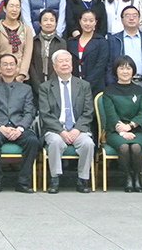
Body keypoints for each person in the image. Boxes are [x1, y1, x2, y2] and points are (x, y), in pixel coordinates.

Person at [38, 50, 95, 194]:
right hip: (55, 129)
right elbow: (46, 114)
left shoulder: (83, 85)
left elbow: (88, 112)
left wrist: (77, 129)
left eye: (67, 61)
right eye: (61, 61)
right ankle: (55, 179)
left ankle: (82, 179)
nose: (65, 64)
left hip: (78, 129)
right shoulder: (45, 87)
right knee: (56, 142)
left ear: (72, 64)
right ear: (54, 66)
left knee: (88, 143)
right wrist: (61, 131)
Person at [0, 54, 39, 193]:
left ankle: (23, 182)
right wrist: (0, 127)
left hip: (19, 128)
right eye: (5, 64)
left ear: (16, 67)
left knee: (32, 141)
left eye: (11, 64)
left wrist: (20, 128)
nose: (8, 67)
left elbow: (29, 113)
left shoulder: (26, 89)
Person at [102, 56, 142, 192]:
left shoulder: (140, 91)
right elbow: (111, 114)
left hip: (137, 130)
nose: (125, 71)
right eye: (121, 68)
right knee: (123, 147)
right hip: (115, 131)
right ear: (115, 71)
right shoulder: (109, 91)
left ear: (133, 71)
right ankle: (127, 178)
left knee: (136, 147)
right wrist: (122, 132)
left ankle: (137, 178)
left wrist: (130, 126)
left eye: (128, 68)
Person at [107, 5, 142, 91]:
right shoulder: (114, 40)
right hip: (120, 85)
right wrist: (112, 86)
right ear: (122, 20)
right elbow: (109, 65)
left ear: (139, 19)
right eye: (127, 15)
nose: (131, 18)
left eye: (135, 15)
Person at [0, 0, 33, 82]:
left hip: (20, 77)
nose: (14, 9)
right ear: (4, 9)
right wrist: (1, 73)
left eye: (17, 6)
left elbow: (27, 54)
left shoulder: (26, 29)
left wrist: (22, 74)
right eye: (11, 6)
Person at [67, 9, 109, 97]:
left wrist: (86, 84)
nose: (88, 23)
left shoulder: (101, 42)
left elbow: (100, 66)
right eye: (85, 20)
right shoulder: (72, 42)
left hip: (95, 87)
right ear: (80, 21)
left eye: (91, 20)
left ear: (95, 22)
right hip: (74, 86)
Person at [28, 9, 67, 101]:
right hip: (35, 84)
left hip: (55, 84)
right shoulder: (33, 41)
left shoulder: (61, 42)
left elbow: (62, 64)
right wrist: (37, 84)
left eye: (52, 20)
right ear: (40, 23)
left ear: (56, 23)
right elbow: (30, 64)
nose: (48, 23)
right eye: (45, 20)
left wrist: (50, 84)